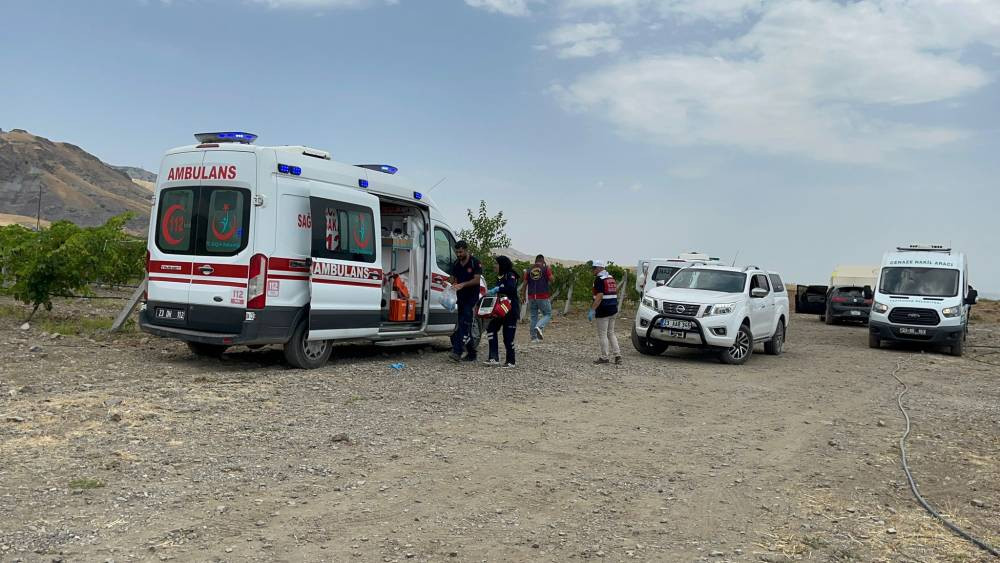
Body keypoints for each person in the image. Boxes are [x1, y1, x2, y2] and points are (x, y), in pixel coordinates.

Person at [448, 241, 483, 362]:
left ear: (466, 250)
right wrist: (449, 282)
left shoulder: (475, 262)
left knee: (464, 324)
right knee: (465, 326)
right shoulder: (456, 263)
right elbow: (452, 278)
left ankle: (457, 351)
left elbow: (477, 280)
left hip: (471, 298)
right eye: (457, 252)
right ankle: (472, 353)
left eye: (460, 252)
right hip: (460, 298)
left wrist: (463, 284)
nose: (458, 254)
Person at [484, 255, 521, 368]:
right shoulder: (500, 277)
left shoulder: (510, 275)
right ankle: (493, 358)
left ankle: (511, 361)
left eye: (496, 264)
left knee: (508, 337)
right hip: (500, 310)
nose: (494, 266)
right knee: (491, 329)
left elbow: (511, 288)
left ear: (502, 265)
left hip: (510, 310)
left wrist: (497, 289)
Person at [588, 260, 622, 365]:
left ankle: (604, 357)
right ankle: (618, 356)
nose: (592, 270)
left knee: (602, 334)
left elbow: (599, 296)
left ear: (599, 268)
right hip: (613, 309)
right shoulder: (610, 278)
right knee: (611, 333)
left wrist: (592, 310)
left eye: (594, 268)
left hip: (603, 310)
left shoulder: (599, 280)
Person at [523, 254, 554, 342]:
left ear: (535, 261)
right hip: (542, 296)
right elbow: (552, 279)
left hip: (531, 296)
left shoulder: (528, 270)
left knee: (533, 317)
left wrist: (522, 296)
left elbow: (525, 284)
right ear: (543, 261)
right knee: (547, 314)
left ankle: (533, 338)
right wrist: (550, 271)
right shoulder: (545, 269)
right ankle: (539, 326)